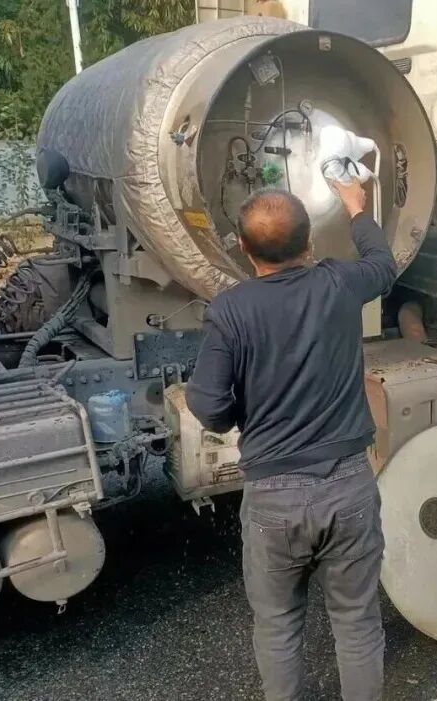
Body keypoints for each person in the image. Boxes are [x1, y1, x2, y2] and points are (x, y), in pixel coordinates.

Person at [186, 179, 394, 701]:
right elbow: (382, 264)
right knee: (356, 622)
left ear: (242, 247)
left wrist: (243, 416)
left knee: (278, 625)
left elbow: (208, 405)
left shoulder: (230, 310)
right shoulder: (338, 283)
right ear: (309, 242)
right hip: (348, 484)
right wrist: (356, 209)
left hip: (273, 496)